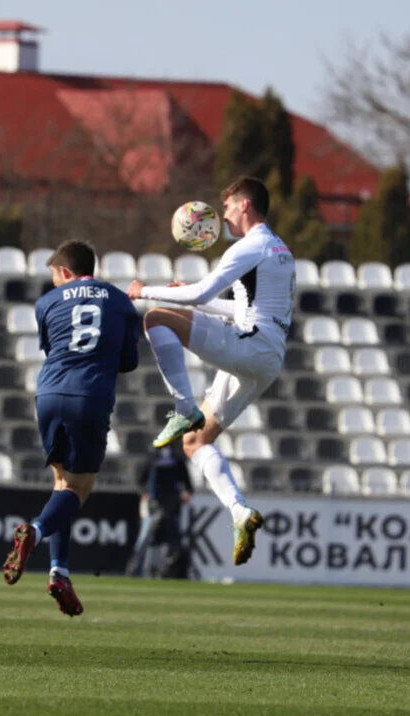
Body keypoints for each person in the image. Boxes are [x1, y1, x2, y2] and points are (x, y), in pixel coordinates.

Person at [126, 176, 294, 567]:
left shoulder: (250, 245)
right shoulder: (279, 249)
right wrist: (194, 298)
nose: (226, 216)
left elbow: (201, 293)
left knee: (156, 319)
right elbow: (236, 309)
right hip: (266, 355)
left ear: (246, 206)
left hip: (249, 344)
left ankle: (183, 408)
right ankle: (240, 513)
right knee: (195, 443)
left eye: (230, 206)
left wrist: (145, 289)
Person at [3, 239, 141, 616]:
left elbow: (55, 348)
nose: (53, 284)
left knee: (61, 483)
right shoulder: (120, 301)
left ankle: (58, 571)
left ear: (65, 272)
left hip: (48, 393)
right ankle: (35, 531)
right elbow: (128, 362)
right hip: (89, 396)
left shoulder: (46, 304)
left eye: (53, 277)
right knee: (80, 487)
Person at [130, 443, 194, 577]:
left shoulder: (176, 459)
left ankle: (172, 571)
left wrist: (187, 492)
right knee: (146, 537)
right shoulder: (152, 457)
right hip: (154, 505)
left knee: (174, 539)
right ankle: (136, 570)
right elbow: (141, 479)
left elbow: (186, 479)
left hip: (172, 505)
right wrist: (144, 493)